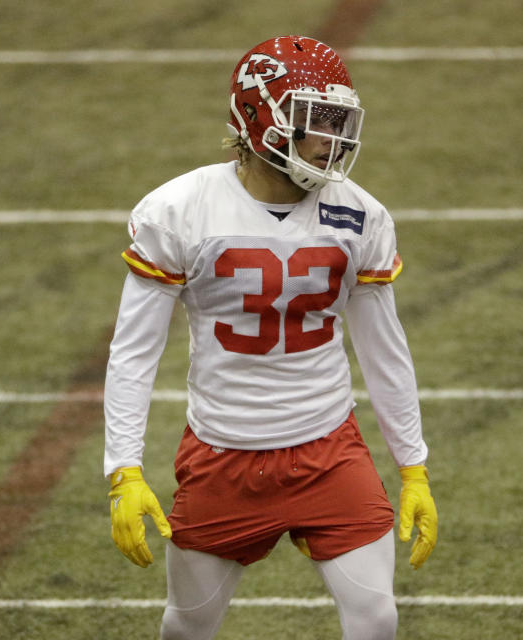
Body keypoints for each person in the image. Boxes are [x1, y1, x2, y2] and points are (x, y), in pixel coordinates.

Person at [103, 35, 438, 640]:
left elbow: (385, 350)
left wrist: (413, 467)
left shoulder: (360, 216)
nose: (334, 140)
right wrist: (123, 469)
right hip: (223, 453)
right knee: (186, 628)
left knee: (376, 616)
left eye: (340, 121)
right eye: (317, 121)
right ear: (261, 120)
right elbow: (133, 352)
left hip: (329, 449)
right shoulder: (182, 210)